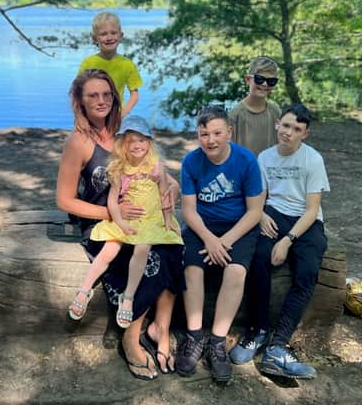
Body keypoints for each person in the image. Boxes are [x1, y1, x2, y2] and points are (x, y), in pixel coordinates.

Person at [56, 69, 184, 380]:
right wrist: (112, 216)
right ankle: (130, 335)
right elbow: (65, 200)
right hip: (102, 223)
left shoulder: (124, 132)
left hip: (144, 221)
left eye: (106, 94)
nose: (100, 101)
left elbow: (157, 172)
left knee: (172, 250)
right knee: (149, 259)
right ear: (80, 102)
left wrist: (173, 189)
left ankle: (160, 328)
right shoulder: (79, 142)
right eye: (92, 96)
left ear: (115, 97)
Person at [228, 104, 330, 380]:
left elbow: (311, 209)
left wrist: (287, 240)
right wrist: (260, 214)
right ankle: (257, 331)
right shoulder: (265, 158)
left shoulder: (313, 160)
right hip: (273, 213)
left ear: (305, 134)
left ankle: (278, 345)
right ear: (277, 125)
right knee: (257, 257)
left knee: (307, 271)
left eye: (296, 129)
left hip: (305, 222)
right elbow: (258, 197)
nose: (289, 132)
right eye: (285, 126)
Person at [67, 115, 183, 329]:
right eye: (131, 141)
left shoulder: (156, 167)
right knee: (109, 249)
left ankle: (127, 297)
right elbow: (112, 200)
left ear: (149, 142)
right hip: (127, 217)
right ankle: (84, 290)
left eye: (142, 140)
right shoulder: (120, 169)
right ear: (123, 145)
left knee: (142, 248)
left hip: (150, 218)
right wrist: (119, 222)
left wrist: (168, 221)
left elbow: (165, 195)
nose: (137, 146)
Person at [175, 105, 264, 383]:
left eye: (216, 133)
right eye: (204, 134)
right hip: (203, 226)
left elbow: (255, 211)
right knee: (192, 270)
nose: (210, 140)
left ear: (229, 132)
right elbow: (188, 210)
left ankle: (217, 342)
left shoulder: (246, 160)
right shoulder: (191, 162)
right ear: (198, 135)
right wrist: (210, 239)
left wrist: (224, 242)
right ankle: (194, 336)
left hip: (238, 227)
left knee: (236, 272)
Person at [78, 11, 142, 117]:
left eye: (113, 33)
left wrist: (122, 114)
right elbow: (78, 93)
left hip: (115, 116)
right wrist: (80, 117)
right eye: (103, 34)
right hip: (91, 116)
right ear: (95, 38)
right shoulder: (88, 63)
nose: (109, 37)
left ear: (121, 35)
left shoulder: (127, 64)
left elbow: (135, 94)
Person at [229, 56, 282, 156]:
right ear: (248, 79)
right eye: (259, 79)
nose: (265, 84)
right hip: (245, 170)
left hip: (270, 169)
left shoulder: (276, 112)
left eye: (271, 81)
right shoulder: (235, 115)